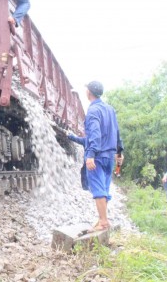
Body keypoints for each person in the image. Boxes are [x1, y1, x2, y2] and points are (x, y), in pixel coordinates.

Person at [67, 81, 124, 232]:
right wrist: (120, 152)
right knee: (104, 189)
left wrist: (90, 154)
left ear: (89, 92)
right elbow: (116, 132)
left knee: (98, 189)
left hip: (97, 157)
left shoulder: (93, 110)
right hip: (109, 157)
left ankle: (103, 222)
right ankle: (102, 219)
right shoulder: (110, 109)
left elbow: (95, 134)